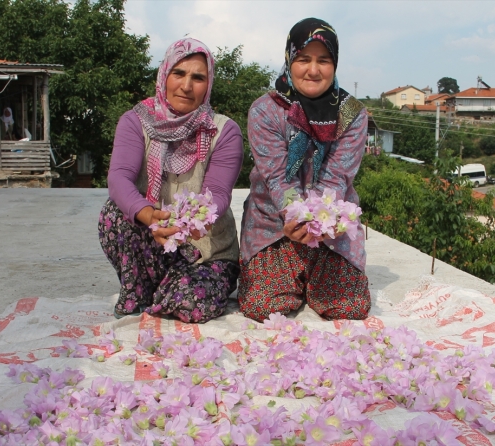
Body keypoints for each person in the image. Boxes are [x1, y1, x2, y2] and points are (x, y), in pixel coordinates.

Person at [98, 38, 243, 323]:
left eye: (198, 77)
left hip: (206, 252)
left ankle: (169, 291)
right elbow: (119, 179)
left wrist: (196, 221)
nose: (187, 86)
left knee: (190, 305)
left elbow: (219, 194)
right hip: (152, 240)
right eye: (179, 73)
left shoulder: (224, 130)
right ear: (164, 75)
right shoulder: (136, 121)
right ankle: (139, 289)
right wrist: (151, 216)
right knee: (115, 213)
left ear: (208, 84)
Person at [238, 18, 371, 322]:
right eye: (304, 59)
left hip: (330, 224)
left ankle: (314, 277)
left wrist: (319, 223)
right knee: (263, 306)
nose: (313, 70)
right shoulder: (264, 110)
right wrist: (295, 216)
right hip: (274, 224)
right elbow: (275, 175)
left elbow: (337, 176)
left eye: (323, 60)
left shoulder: (352, 114)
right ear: (289, 60)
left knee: (349, 307)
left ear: (335, 64)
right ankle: (285, 274)